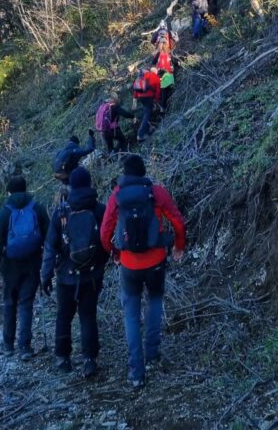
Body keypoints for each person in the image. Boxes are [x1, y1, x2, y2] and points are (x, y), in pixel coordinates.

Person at [100, 154, 186, 388]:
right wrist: (179, 246)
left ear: (125, 174)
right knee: (155, 303)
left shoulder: (117, 196)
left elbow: (105, 232)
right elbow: (178, 222)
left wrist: (115, 253)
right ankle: (153, 353)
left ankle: (136, 371)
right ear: (144, 171)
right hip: (156, 260)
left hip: (129, 264)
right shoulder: (156, 192)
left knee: (130, 313)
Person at [40, 166, 108, 378]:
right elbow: (106, 240)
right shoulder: (99, 209)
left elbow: (51, 246)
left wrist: (45, 275)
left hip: (65, 275)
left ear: (71, 185)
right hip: (92, 274)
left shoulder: (61, 210)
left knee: (64, 316)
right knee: (88, 316)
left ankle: (63, 358)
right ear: (89, 183)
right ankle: (90, 360)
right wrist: (101, 264)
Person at [0, 175, 49, 360]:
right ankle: (25, 347)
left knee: (9, 302)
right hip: (33, 263)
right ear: (25, 188)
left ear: (9, 191)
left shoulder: (5, 212)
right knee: (26, 304)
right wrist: (49, 264)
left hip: (10, 265)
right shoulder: (37, 208)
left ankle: (8, 344)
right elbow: (49, 237)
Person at [132, 68, 162, 143]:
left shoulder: (140, 77)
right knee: (147, 113)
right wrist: (156, 100)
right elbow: (158, 91)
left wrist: (135, 100)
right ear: (156, 71)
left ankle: (149, 127)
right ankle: (140, 134)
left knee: (146, 112)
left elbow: (135, 89)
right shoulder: (155, 77)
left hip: (141, 97)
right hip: (149, 97)